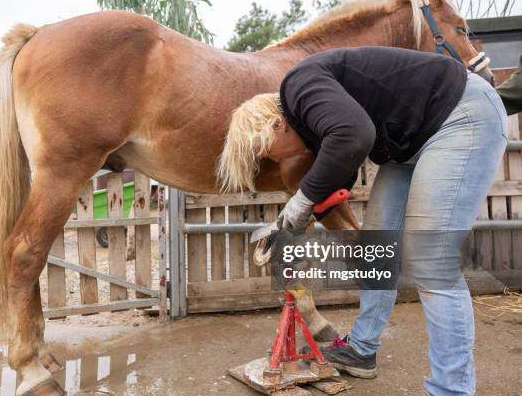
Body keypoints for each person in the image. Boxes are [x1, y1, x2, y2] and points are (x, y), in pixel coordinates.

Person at [217, 46, 507, 396]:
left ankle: (452, 390)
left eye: (263, 152)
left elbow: (355, 136)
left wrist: (301, 200)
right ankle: (362, 350)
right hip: (409, 145)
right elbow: (340, 172)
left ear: (274, 127)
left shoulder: (299, 85)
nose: (270, 160)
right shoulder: (313, 123)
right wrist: (294, 219)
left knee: (433, 261)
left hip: (461, 114)